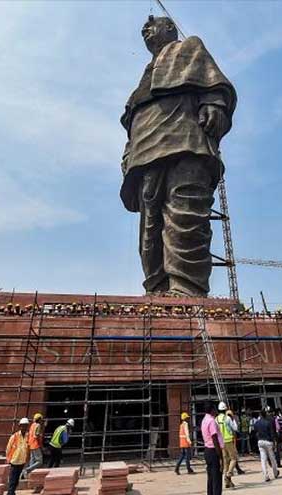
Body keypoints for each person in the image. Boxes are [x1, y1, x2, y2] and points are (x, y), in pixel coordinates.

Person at [120, 15, 237, 297]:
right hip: (146, 148)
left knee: (185, 212)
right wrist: (128, 152)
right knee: (150, 226)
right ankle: (158, 288)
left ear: (170, 28)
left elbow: (213, 83)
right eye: (142, 30)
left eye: (152, 26)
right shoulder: (146, 74)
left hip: (185, 138)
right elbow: (133, 116)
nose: (146, 31)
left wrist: (214, 103)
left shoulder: (189, 48)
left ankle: (187, 288)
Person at [201, 401, 223, 495]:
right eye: (215, 408)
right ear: (212, 410)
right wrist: (220, 455)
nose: (216, 410)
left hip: (207, 451)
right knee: (217, 479)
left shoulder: (204, 420)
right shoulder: (212, 421)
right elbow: (215, 438)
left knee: (210, 478)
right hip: (213, 451)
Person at [5, 417, 30, 495]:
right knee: (12, 481)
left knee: (16, 482)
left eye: (26, 426)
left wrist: (27, 460)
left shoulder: (27, 436)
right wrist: (8, 459)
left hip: (22, 462)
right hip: (14, 462)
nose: (24, 427)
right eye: (23, 426)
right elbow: (8, 448)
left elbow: (28, 448)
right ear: (20, 426)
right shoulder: (14, 436)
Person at [215, 403, 238, 488]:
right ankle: (229, 474)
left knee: (225, 463)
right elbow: (235, 428)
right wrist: (233, 418)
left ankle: (226, 482)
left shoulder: (216, 419)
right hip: (228, 441)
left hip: (221, 443)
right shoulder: (227, 418)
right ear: (225, 410)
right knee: (234, 459)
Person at [253, 409, 280, 482]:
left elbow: (255, 432)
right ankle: (275, 473)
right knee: (272, 458)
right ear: (265, 415)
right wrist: (274, 442)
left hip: (260, 441)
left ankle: (266, 476)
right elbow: (272, 433)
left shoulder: (257, 423)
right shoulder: (268, 423)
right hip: (268, 442)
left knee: (263, 460)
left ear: (260, 415)